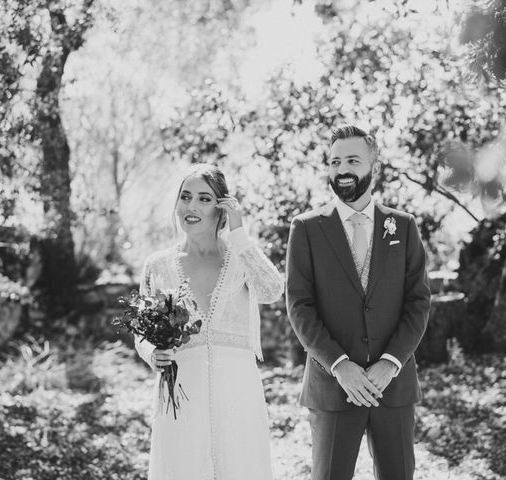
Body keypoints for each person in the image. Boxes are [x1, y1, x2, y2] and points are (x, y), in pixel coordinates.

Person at [286, 125, 431, 480]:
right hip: (333, 389)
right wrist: (340, 365)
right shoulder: (306, 228)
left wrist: (391, 363)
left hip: (392, 387)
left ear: (374, 167)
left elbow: (418, 302)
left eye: (352, 159)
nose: (342, 169)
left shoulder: (404, 226)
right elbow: (299, 305)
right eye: (335, 161)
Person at [135, 164, 283, 480]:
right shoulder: (158, 265)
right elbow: (141, 332)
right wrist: (151, 354)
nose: (191, 206)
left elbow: (271, 290)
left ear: (221, 208)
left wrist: (239, 233)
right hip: (180, 392)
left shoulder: (240, 257)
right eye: (185, 197)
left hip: (237, 389)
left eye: (204, 199)